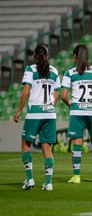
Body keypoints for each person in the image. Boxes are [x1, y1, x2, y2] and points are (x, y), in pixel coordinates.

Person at [13, 45, 61, 191]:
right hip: (50, 113)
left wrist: (19, 110)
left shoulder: (30, 69)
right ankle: (48, 183)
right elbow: (57, 93)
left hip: (35, 113)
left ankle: (29, 179)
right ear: (47, 56)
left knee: (26, 145)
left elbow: (26, 91)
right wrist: (50, 105)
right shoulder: (54, 71)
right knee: (47, 147)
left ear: (35, 56)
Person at [61, 44, 92, 184]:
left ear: (75, 57)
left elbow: (63, 96)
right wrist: (90, 102)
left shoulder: (70, 73)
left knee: (77, 141)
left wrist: (72, 105)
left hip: (77, 111)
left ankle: (77, 176)